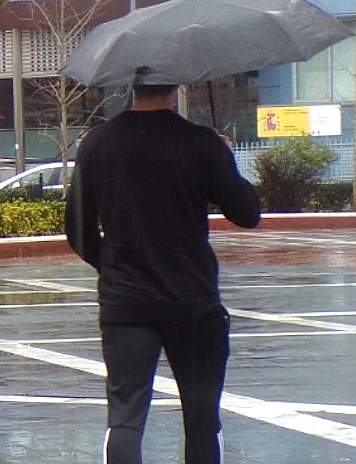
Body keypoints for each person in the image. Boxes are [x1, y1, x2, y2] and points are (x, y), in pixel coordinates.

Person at [65, 83, 260, 464]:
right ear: (177, 84)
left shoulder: (97, 143)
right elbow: (247, 213)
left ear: (132, 83)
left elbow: (77, 230)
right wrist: (224, 157)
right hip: (194, 301)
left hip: (126, 305)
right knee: (202, 419)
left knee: (125, 417)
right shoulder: (201, 143)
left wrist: (116, 269)